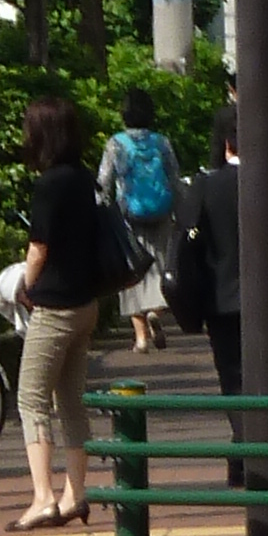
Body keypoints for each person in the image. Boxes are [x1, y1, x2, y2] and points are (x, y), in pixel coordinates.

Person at [13, 89, 107, 531]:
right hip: (87, 303)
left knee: (31, 398)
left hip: (53, 307)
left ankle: (42, 498)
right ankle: (76, 493)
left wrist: (25, 287)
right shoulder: (85, 178)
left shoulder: (49, 184)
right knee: (71, 401)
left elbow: (38, 248)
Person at [101, 85, 185, 357]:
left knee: (131, 273)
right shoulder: (162, 143)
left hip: (129, 216)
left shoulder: (115, 144)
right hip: (161, 213)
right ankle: (156, 311)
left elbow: (104, 183)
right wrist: (183, 212)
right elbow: (174, 179)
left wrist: (102, 210)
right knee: (159, 267)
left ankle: (140, 340)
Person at [189, 102, 248, 484]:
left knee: (233, 378)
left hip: (223, 300)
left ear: (226, 144)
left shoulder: (207, 187)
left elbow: (191, 246)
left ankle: (243, 448)